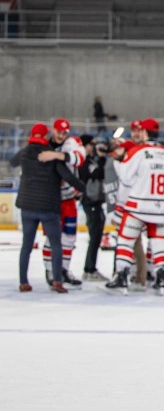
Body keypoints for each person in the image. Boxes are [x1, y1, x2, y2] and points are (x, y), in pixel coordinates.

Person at [11, 123, 85, 293]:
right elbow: (68, 176)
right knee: (56, 244)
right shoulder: (51, 156)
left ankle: (23, 282)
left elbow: (12, 162)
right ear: (46, 135)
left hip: (27, 206)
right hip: (48, 207)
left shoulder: (25, 152)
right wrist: (85, 189)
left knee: (26, 246)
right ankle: (57, 281)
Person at [105, 119, 164, 295]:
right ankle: (160, 279)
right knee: (159, 244)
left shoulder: (138, 151)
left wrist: (120, 160)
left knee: (125, 241)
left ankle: (121, 277)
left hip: (138, 205)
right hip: (160, 207)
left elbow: (126, 178)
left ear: (144, 133)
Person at [40, 119, 86, 289]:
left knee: (69, 236)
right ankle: (50, 271)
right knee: (52, 237)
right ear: (53, 130)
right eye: (59, 131)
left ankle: (64, 270)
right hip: (50, 200)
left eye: (64, 132)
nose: (61, 135)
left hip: (68, 199)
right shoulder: (43, 144)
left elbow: (79, 158)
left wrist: (57, 155)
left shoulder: (72, 142)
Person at [78, 135, 109, 281]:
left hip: (95, 201)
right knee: (95, 236)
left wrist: (101, 157)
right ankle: (89, 269)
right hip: (89, 201)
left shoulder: (92, 159)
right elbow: (99, 173)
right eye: (91, 144)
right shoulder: (82, 161)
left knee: (96, 236)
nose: (94, 147)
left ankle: (90, 268)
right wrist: (102, 159)